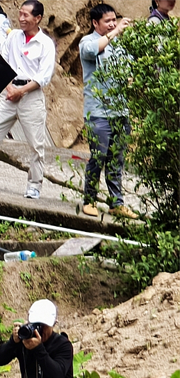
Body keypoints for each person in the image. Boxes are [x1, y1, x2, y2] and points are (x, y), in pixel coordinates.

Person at [0, 0, 55, 200]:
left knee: (36, 145)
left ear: (37, 18)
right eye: (20, 14)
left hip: (31, 94)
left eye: (26, 15)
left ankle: (34, 185)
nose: (21, 19)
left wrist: (21, 91)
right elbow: (2, 63)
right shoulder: (13, 38)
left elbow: (43, 76)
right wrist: (9, 88)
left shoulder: (45, 43)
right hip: (9, 91)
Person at [80, 4, 138, 220]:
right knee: (98, 157)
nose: (113, 24)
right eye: (108, 21)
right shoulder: (87, 41)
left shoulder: (119, 45)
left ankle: (116, 203)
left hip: (120, 111)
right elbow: (92, 51)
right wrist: (115, 33)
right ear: (95, 23)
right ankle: (89, 200)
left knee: (117, 159)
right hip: (98, 112)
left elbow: (131, 69)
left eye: (114, 20)